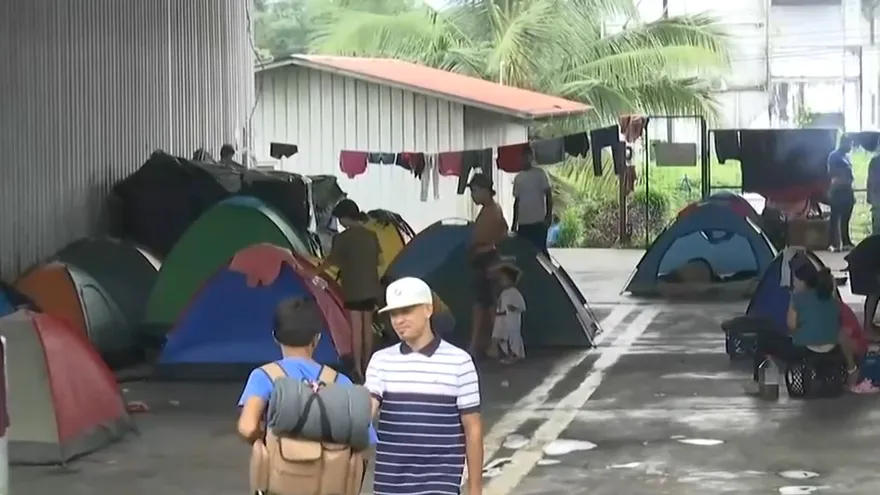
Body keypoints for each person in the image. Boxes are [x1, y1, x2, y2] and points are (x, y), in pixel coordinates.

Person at [366, 277, 483, 495]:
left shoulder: (460, 361)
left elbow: (473, 429)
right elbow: (367, 408)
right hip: (390, 481)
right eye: (393, 314)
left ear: (428, 309)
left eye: (406, 311)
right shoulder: (381, 361)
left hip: (441, 481)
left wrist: (476, 489)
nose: (399, 320)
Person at [236, 296, 378, 444]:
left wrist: (267, 443)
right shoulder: (340, 381)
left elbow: (248, 427)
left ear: (275, 337)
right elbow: (366, 437)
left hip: (282, 464)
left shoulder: (264, 376)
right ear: (317, 338)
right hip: (331, 465)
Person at [747, 257, 867, 394]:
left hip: (806, 349)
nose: (794, 283)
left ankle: (757, 382)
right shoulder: (832, 299)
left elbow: (791, 325)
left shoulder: (797, 298)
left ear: (803, 282)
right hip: (832, 347)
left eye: (795, 280)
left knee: (763, 338)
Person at [315, 199, 382, 381]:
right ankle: (369, 366)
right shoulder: (371, 235)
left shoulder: (342, 238)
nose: (340, 223)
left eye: (340, 219)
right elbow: (380, 261)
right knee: (367, 330)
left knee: (356, 331)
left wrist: (316, 271)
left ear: (345, 217)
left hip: (353, 288)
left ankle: (358, 369)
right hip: (371, 288)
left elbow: (332, 260)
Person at [466, 173, 509, 358]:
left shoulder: (492, 211)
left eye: (475, 191)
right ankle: (480, 343)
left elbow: (499, 234)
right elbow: (504, 230)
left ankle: (492, 344)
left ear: (485, 191)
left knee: (488, 305)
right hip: (484, 259)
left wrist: (488, 247)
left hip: (487, 260)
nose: (473, 196)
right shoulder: (491, 209)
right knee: (483, 304)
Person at [512, 147, 553, 254]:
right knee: (525, 253)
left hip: (538, 222)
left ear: (532, 157)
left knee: (541, 253)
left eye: (528, 156)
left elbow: (548, 195)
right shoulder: (518, 178)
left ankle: (549, 271)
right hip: (523, 223)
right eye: (524, 156)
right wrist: (514, 223)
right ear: (520, 158)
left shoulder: (540, 174)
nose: (526, 159)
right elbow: (517, 202)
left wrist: (549, 216)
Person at [491, 263, 526, 363]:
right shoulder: (504, 292)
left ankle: (515, 355)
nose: (501, 281)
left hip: (511, 319)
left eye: (504, 279)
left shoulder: (514, 292)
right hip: (502, 318)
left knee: (513, 337)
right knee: (502, 337)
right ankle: (507, 354)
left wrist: (514, 308)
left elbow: (521, 306)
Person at [827, 134, 855, 251]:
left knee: (846, 218)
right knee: (835, 218)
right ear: (844, 143)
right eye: (850, 144)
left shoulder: (846, 157)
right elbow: (833, 174)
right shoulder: (834, 156)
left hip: (847, 190)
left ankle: (846, 241)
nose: (851, 147)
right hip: (838, 191)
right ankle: (834, 244)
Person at [868, 146, 880, 235]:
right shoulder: (875, 161)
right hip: (877, 196)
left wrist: (869, 195)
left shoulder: (874, 161)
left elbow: (870, 180)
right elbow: (870, 180)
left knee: (877, 224)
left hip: (876, 196)